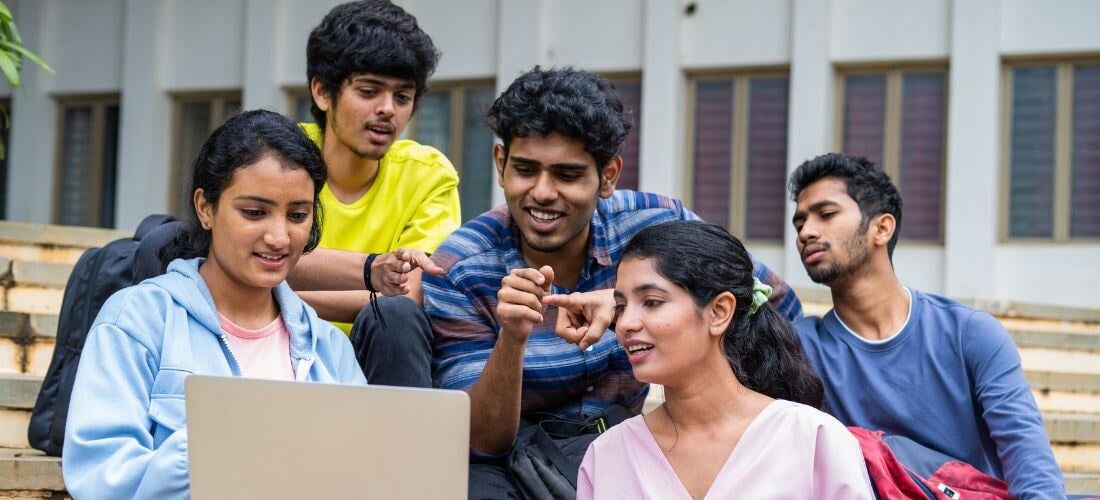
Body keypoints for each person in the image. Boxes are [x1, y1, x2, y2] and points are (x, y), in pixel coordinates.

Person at [422, 66, 803, 497]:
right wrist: (512, 339)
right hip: (510, 466)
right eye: (525, 169)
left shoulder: (657, 225)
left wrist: (627, 301)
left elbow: (771, 301)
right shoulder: (461, 267)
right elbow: (482, 442)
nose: (543, 193)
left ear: (608, 176)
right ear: (500, 163)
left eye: (567, 175)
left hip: (633, 447)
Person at [61, 110, 367, 499]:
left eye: (297, 215)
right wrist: (217, 444)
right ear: (206, 208)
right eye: (254, 212)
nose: (278, 236)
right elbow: (100, 478)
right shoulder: (137, 320)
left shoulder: (329, 348)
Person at [788, 153, 1064, 498]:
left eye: (826, 215)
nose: (806, 233)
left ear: (881, 228)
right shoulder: (800, 349)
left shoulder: (968, 332)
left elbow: (1028, 457)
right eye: (799, 223)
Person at [576, 221, 873, 499]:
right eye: (620, 306)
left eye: (652, 302)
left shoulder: (813, 438)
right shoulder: (607, 455)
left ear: (719, 312)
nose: (626, 323)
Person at [288, 0, 462, 387]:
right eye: (369, 91)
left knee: (395, 318)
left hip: (371, 360)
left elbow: (406, 297)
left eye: (402, 97)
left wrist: (274, 298)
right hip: (272, 344)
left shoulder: (428, 175)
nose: (388, 110)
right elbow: (232, 257)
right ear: (322, 92)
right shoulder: (279, 156)